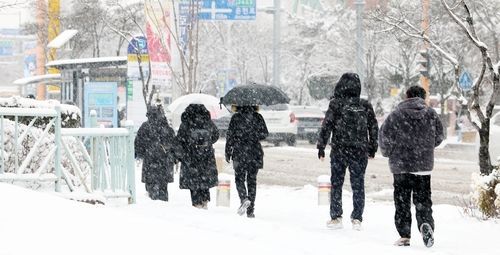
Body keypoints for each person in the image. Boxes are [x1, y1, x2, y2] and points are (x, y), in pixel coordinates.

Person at [379, 86, 444, 248]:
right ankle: (425, 224)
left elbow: (384, 136)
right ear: (423, 97)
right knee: (423, 199)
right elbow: (439, 136)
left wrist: (389, 152)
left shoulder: (396, 115)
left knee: (402, 200)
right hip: (423, 165)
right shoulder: (431, 114)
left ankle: (404, 234)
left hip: (401, 165)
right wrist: (427, 147)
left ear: (407, 96)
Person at [317, 72, 379, 230]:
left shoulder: (336, 104)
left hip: (339, 149)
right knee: (358, 184)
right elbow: (373, 127)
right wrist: (372, 147)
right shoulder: (365, 105)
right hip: (359, 150)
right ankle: (357, 218)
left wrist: (321, 146)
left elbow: (327, 126)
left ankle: (336, 216)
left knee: (336, 183)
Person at [225, 105, 269, 218]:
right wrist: (254, 135)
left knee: (239, 179)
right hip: (255, 152)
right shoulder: (258, 117)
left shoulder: (235, 118)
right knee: (252, 181)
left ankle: (244, 198)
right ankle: (251, 210)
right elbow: (265, 133)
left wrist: (228, 152)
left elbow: (229, 136)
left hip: (239, 152)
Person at [174, 104, 219, 209]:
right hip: (206, 157)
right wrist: (206, 144)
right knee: (204, 181)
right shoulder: (208, 122)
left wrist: (182, 152)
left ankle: (196, 203)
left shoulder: (186, 123)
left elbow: (179, 140)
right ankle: (204, 201)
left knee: (193, 182)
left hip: (191, 158)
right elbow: (216, 135)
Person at [135, 104, 176, 201]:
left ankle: (153, 204)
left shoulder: (145, 127)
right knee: (163, 188)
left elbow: (138, 144)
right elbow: (173, 144)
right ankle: (163, 206)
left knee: (151, 187)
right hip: (164, 163)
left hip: (149, 163)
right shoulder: (166, 127)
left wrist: (142, 153)